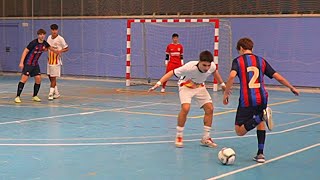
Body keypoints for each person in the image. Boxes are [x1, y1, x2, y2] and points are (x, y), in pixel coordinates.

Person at [222, 37, 300, 163]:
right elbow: (277, 76)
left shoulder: (238, 61)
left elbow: (231, 76)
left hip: (247, 99)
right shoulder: (261, 61)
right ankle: (260, 154)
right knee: (260, 122)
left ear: (241, 48)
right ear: (251, 48)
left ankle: (261, 117)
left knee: (239, 130)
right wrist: (291, 87)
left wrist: (226, 93)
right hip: (262, 97)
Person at [149, 50, 226, 148]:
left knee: (210, 109)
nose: (207, 68)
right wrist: (158, 84)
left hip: (199, 87)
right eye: (204, 65)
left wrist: (223, 85)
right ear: (199, 62)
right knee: (185, 108)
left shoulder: (212, 66)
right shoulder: (189, 67)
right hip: (185, 86)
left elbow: (215, 73)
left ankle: (206, 138)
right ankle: (179, 136)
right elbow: (171, 73)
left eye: (208, 65)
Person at [14, 29, 56, 103]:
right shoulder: (33, 43)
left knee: (38, 79)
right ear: (38, 35)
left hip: (35, 64)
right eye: (41, 34)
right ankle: (17, 96)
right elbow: (25, 51)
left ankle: (35, 96)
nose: (42, 36)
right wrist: (21, 62)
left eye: (43, 34)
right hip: (28, 63)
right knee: (24, 80)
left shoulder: (45, 43)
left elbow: (50, 48)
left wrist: (59, 51)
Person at [47, 24, 69, 100]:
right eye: (52, 30)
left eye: (55, 30)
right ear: (51, 30)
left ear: (57, 30)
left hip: (56, 61)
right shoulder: (49, 37)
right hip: (49, 60)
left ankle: (50, 94)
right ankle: (56, 93)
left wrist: (60, 51)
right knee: (50, 76)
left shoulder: (60, 39)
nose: (54, 31)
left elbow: (66, 48)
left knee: (53, 77)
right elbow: (47, 47)